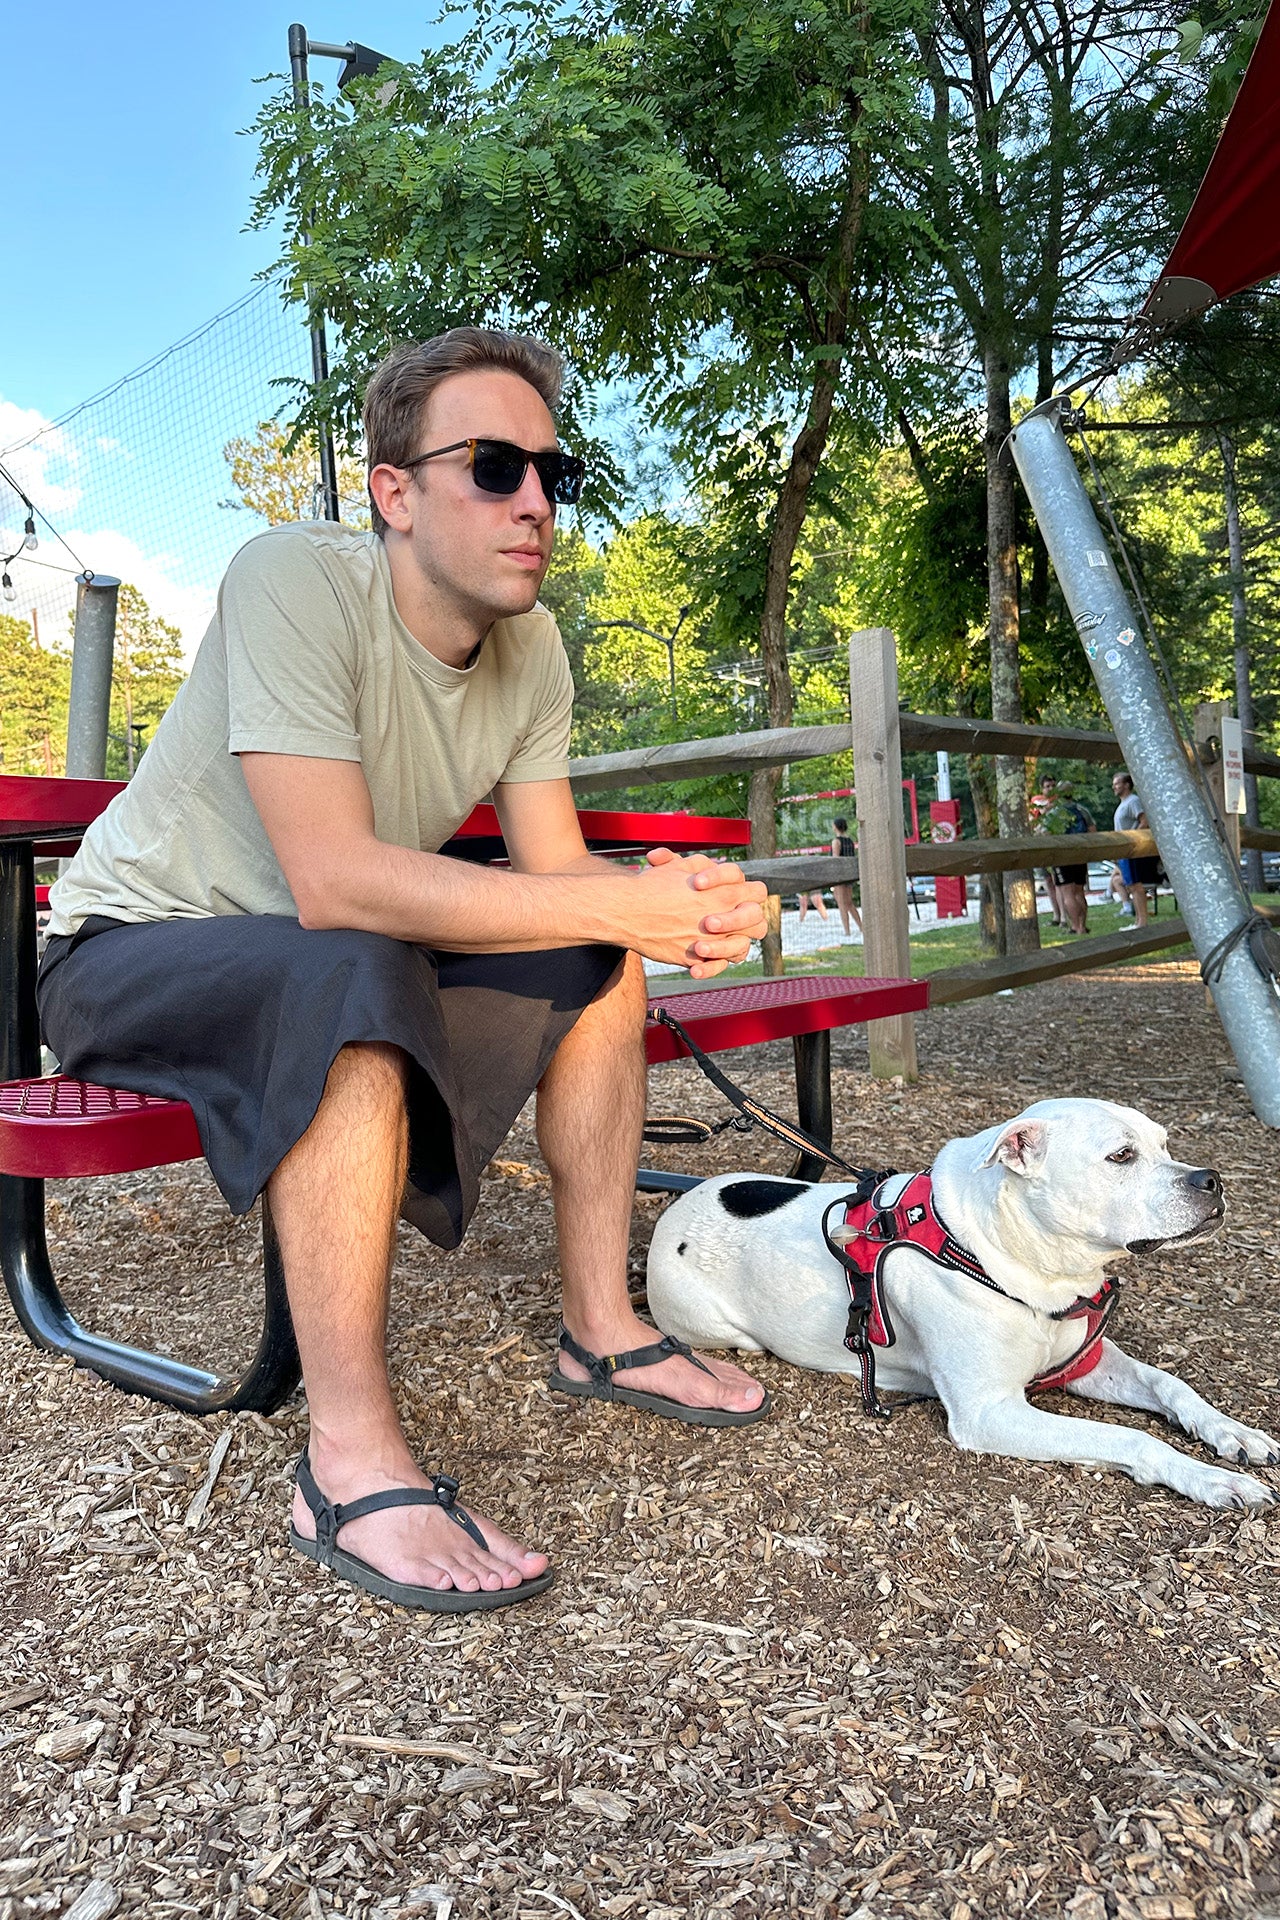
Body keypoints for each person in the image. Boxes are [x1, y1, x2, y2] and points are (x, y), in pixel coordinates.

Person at [38, 328, 770, 1614]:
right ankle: (347, 1460)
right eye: (493, 466)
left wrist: (662, 906)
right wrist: (622, 894)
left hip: (327, 959)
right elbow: (330, 877)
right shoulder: (292, 579)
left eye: (555, 471)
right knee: (353, 971)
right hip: (129, 949)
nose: (536, 502)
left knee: (590, 955)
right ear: (392, 490)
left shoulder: (530, 649)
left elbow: (555, 879)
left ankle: (601, 1326)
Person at [1046, 780, 1094, 935]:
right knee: (1080, 892)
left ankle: (1075, 926)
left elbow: (1045, 833)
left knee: (1067, 893)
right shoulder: (1082, 810)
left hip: (1063, 857)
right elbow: (1092, 831)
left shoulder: (1055, 812)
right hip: (1080, 855)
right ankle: (1083, 924)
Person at [1112, 771, 1157, 929]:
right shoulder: (1122, 804)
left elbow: (1144, 821)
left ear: (1127, 785)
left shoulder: (1133, 801)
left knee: (1136, 885)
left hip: (1132, 850)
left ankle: (1142, 922)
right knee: (1130, 885)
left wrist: (1133, 841)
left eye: (1117, 783)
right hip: (1124, 852)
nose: (1114, 787)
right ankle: (1138, 920)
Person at [1029, 771, 1064, 926]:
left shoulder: (1061, 801)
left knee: (1059, 881)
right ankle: (1056, 915)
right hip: (1040, 844)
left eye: (1052, 785)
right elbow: (1033, 818)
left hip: (1056, 845)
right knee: (1048, 881)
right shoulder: (1037, 800)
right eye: (1047, 786)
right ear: (1042, 788)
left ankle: (1064, 916)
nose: (1050, 789)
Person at [829, 817, 863, 935]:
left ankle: (847, 931)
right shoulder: (850, 841)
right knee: (849, 903)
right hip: (849, 874)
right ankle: (861, 927)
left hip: (840, 876)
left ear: (836, 826)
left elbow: (836, 860)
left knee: (842, 904)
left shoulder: (836, 841)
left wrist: (833, 879)